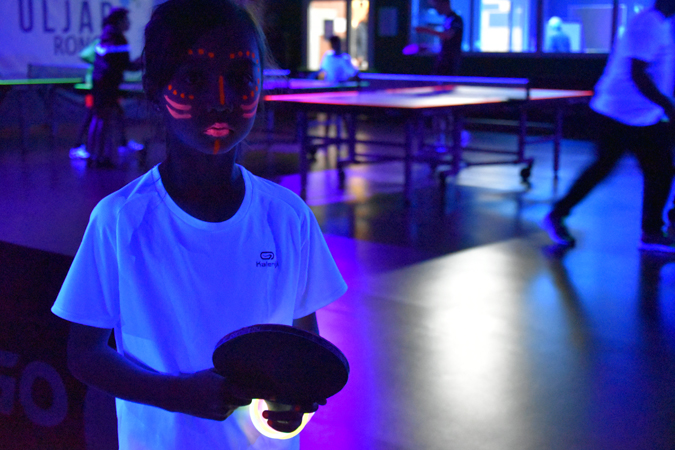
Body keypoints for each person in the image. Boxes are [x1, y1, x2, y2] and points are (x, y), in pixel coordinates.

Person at [51, 1, 348, 449]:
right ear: (155, 89)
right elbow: (84, 353)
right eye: (194, 79)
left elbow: (301, 346)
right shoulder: (120, 220)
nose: (221, 100)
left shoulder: (289, 218)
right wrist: (176, 394)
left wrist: (295, 399)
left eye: (241, 78)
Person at [542, 0, 675, 252]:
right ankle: (557, 215)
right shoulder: (647, 24)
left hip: (641, 115)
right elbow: (637, 73)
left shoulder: (660, 24)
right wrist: (667, 106)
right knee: (605, 168)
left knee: (660, 171)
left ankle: (651, 232)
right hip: (618, 112)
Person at [88, 7, 143, 168]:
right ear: (119, 21)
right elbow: (124, 65)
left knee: (99, 118)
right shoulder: (118, 39)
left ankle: (94, 155)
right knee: (104, 120)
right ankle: (100, 157)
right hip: (108, 85)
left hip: (100, 83)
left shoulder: (105, 35)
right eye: (126, 20)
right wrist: (142, 62)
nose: (129, 23)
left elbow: (113, 62)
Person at [415, 0, 464, 76]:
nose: (436, 8)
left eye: (437, 5)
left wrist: (425, 30)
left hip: (450, 62)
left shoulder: (456, 19)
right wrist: (430, 47)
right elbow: (447, 43)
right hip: (443, 61)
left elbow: (447, 35)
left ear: (445, 4)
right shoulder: (447, 19)